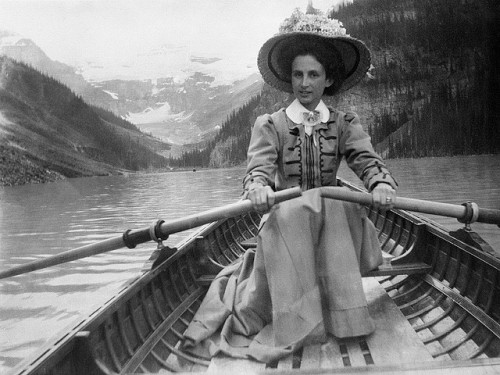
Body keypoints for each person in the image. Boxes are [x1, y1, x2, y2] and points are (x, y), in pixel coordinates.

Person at [183, 9, 397, 363]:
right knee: (293, 212)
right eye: (298, 74)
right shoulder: (270, 124)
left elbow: (367, 161)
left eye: (314, 74)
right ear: (290, 79)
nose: (305, 83)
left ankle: (343, 316)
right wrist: (257, 187)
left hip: (334, 227)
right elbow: (259, 168)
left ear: (328, 80)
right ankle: (301, 321)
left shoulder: (345, 123)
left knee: (340, 205)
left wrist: (381, 182)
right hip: (288, 223)